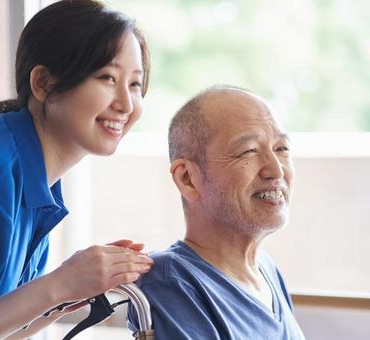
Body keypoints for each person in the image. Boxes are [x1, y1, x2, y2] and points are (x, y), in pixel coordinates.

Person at [0, 1, 154, 338]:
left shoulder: (41, 184)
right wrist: (63, 283)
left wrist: (76, 288)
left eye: (135, 84)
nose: (126, 104)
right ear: (43, 84)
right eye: (107, 77)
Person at [129, 85, 305, 339]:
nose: (276, 170)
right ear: (188, 178)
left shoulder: (266, 269)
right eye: (249, 151)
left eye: (281, 149)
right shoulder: (172, 281)